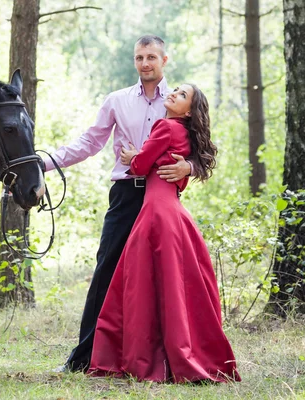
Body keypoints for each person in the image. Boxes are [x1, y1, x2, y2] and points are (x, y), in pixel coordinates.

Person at [44, 35, 193, 373]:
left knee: (161, 276)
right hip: (126, 195)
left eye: (152, 56)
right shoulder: (117, 100)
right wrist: (45, 163)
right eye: (140, 57)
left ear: (164, 59)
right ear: (135, 60)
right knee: (107, 272)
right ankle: (82, 358)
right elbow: (89, 142)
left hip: (163, 196)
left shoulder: (180, 101)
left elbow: (202, 146)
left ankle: (163, 359)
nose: (145, 63)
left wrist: (190, 167)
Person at [87, 83, 241, 383]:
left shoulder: (166, 126)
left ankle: (142, 355)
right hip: (173, 210)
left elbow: (142, 166)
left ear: (189, 111)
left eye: (182, 95)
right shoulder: (183, 132)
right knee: (172, 283)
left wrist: (133, 157)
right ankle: (179, 353)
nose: (174, 95)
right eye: (176, 91)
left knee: (138, 282)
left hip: (156, 211)